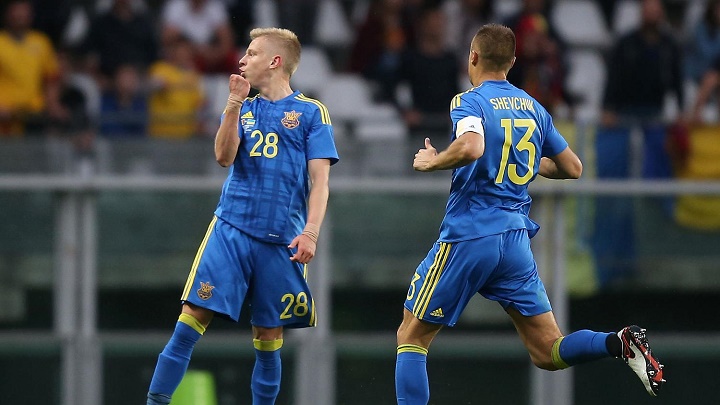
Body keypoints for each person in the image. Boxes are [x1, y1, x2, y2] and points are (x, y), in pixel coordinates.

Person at [394, 24, 665, 405]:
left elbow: (471, 147)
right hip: (516, 240)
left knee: (411, 336)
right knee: (547, 351)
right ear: (513, 62)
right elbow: (573, 167)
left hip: (471, 232)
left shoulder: (468, 101)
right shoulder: (533, 107)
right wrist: (529, 162)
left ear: (472, 57)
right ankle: (617, 343)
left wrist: (433, 160)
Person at [146, 27, 339, 405]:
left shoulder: (311, 112)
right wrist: (233, 104)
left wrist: (311, 232)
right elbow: (223, 157)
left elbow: (320, 182)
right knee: (190, 319)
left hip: (281, 241)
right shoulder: (244, 107)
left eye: (251, 53)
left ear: (275, 61)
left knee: (268, 338)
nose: (242, 60)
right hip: (231, 230)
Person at [0, 0, 63, 136]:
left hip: (34, 114)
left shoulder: (41, 42)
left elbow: (51, 77)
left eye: (24, 11)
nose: (20, 15)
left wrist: (52, 103)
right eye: (16, 11)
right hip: (6, 117)